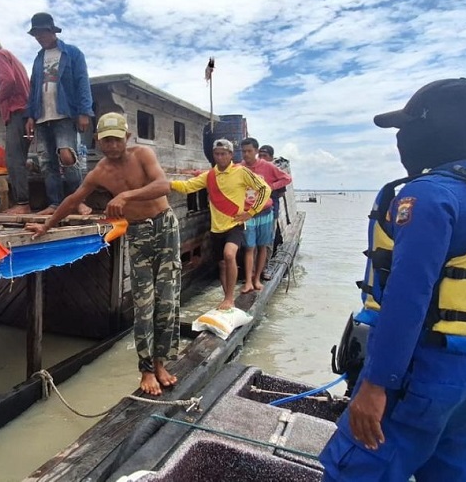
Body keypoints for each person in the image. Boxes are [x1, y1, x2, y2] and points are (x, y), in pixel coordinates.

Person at [319, 78, 466, 481]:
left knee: (352, 472)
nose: (401, 138)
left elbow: (406, 299)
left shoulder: (427, 196)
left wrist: (376, 385)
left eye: (406, 127)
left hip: (419, 380)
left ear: (432, 127)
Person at [25, 112, 180, 396]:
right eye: (105, 140)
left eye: (115, 139)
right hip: (138, 233)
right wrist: (47, 225)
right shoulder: (100, 172)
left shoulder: (143, 154)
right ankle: (146, 369)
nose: (110, 145)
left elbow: (163, 185)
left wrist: (125, 196)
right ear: (97, 141)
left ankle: (161, 364)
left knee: (167, 300)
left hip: (165, 225)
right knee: (144, 303)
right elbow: (74, 200)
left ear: (127, 138)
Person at [170, 139, 271, 310]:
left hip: (235, 225)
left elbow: (264, 189)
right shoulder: (209, 175)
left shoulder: (241, 172)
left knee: (229, 255)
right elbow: (188, 187)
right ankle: (227, 297)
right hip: (216, 228)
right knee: (222, 264)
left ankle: (230, 298)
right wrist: (168, 184)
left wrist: (250, 212)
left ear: (231, 155)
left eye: (223, 153)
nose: (220, 157)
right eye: (217, 154)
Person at [25, 12, 93, 216]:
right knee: (46, 163)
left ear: (51, 31)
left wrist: (84, 111)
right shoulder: (38, 58)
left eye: (42, 33)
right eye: (36, 35)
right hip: (41, 116)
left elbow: (82, 82)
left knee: (68, 156)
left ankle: (77, 201)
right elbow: (33, 86)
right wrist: (30, 115)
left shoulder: (72, 53)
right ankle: (55, 204)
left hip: (64, 113)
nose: (39, 38)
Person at [0, 41, 32, 214]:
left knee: (13, 158)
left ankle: (22, 203)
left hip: (17, 113)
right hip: (26, 115)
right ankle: (22, 201)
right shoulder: (16, 61)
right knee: (21, 158)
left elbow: (8, 81)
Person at [239, 138, 292, 292]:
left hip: (266, 212)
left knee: (263, 246)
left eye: (249, 151)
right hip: (249, 213)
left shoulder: (267, 167)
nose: (246, 154)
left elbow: (287, 178)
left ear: (255, 151)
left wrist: (271, 186)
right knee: (249, 247)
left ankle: (257, 279)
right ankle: (248, 280)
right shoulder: (240, 167)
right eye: (243, 151)